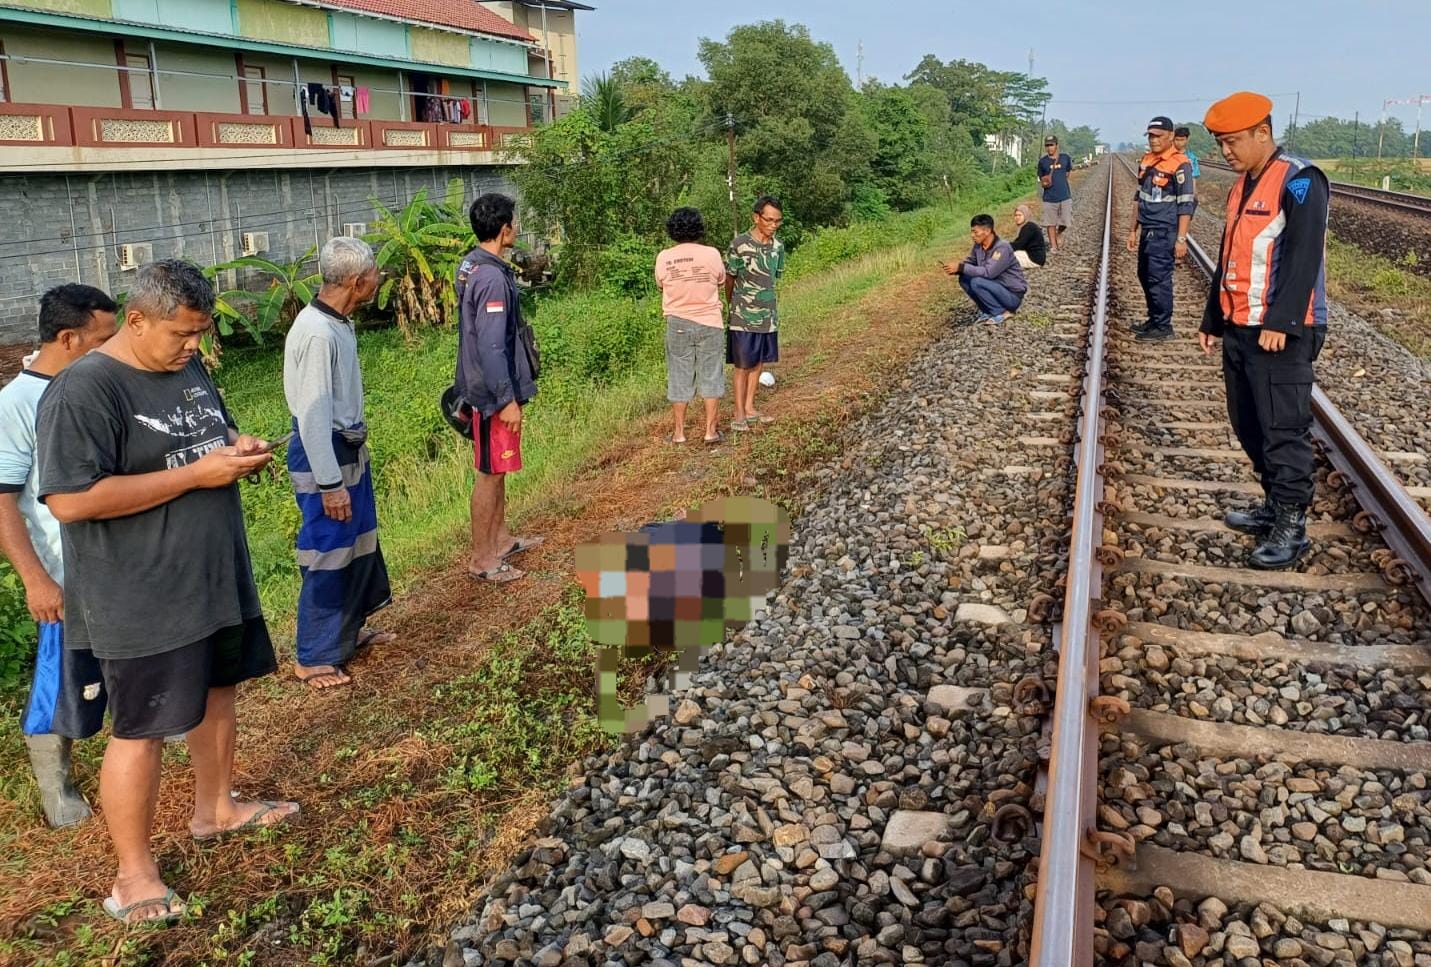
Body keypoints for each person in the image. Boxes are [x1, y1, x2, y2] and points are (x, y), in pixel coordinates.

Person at [37, 260, 298, 925]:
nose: (193, 347)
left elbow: (205, 442)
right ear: (136, 319)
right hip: (140, 594)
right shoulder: (86, 389)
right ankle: (133, 876)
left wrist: (235, 449)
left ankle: (216, 809)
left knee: (217, 691)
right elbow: (69, 499)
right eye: (182, 333)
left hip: (211, 577)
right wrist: (198, 476)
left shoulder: (186, 369)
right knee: (143, 727)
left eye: (199, 334)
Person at [0, 285, 117, 828]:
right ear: (68, 338)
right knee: (59, 677)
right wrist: (35, 579)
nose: (111, 348)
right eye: (102, 339)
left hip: (118, 565)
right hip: (65, 577)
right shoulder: (17, 404)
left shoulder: (95, 388)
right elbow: (3, 502)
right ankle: (57, 787)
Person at [1198, 91, 1330, 570]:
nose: (1226, 152)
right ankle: (1273, 504)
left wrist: (1283, 320)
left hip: (1280, 332)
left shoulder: (1298, 180)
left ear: (1263, 133)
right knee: (1248, 424)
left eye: (1233, 142)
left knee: (1282, 429)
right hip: (1240, 326)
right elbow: (1231, 252)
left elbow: (1303, 253)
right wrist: (1213, 317)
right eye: (1220, 144)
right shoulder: (1241, 184)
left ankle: (1291, 525)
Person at [283, 237, 393, 690]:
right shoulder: (315, 332)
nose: (378, 281)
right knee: (328, 550)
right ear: (356, 281)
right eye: (374, 275)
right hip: (323, 452)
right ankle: (313, 655)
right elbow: (311, 416)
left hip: (347, 448)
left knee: (358, 542)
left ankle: (346, 634)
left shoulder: (339, 323)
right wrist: (329, 483)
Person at [455, 193, 542, 584]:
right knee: (489, 472)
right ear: (504, 229)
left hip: (489, 388)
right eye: (514, 223)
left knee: (499, 466)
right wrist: (506, 399)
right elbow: (491, 345)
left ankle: (502, 540)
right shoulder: (490, 278)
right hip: (492, 396)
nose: (517, 228)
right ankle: (482, 559)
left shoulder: (474, 263)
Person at [655, 207, 726, 445]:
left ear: (672, 230)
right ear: (699, 229)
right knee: (711, 374)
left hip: (678, 324)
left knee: (679, 375)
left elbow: (661, 285)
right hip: (710, 322)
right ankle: (710, 432)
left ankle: (679, 433)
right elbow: (720, 280)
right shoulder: (712, 254)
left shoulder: (664, 257)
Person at [1128, 115, 1197, 341]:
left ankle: (1163, 326)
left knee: (1158, 278)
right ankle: (1154, 319)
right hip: (1148, 228)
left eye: (1158, 136)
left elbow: (1186, 203)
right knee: (1145, 274)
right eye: (1150, 136)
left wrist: (1181, 239)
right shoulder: (1147, 160)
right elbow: (1140, 198)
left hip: (1165, 230)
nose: (1153, 140)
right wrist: (1133, 229)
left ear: (1170, 136)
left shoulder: (1180, 164)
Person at [725, 196, 786, 432]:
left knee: (759, 361)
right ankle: (738, 413)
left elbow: (772, 279)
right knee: (742, 364)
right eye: (769, 220)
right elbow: (729, 278)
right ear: (756, 218)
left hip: (767, 314)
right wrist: (733, 305)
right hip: (742, 313)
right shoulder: (739, 245)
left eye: (777, 221)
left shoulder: (777, 247)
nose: (773, 225)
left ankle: (750, 408)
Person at [944, 213, 1028, 324]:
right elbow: (970, 262)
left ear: (987, 231)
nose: (972, 235)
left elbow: (989, 273)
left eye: (975, 232)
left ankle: (1000, 312)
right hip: (996, 287)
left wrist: (962, 267)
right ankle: (987, 310)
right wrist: (957, 269)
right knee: (964, 278)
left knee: (977, 282)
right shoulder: (978, 246)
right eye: (972, 231)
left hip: (1011, 295)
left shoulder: (1002, 248)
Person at [1037, 136, 1074, 253]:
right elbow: (1041, 177)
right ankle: (1054, 246)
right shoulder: (1042, 162)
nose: (1049, 148)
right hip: (1049, 197)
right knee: (1050, 222)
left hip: (1064, 195)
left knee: (1066, 220)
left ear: (1057, 145)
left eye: (1051, 145)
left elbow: (1067, 173)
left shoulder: (1065, 158)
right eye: (1047, 145)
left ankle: (1059, 233)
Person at [1010, 204, 1047, 269]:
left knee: (1006, 256)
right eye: (1016, 215)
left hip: (1034, 259)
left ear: (1025, 215)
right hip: (1033, 256)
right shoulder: (1027, 226)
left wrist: (1002, 247)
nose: (1017, 217)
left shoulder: (1029, 227)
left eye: (1020, 215)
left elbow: (1018, 245)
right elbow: (1018, 243)